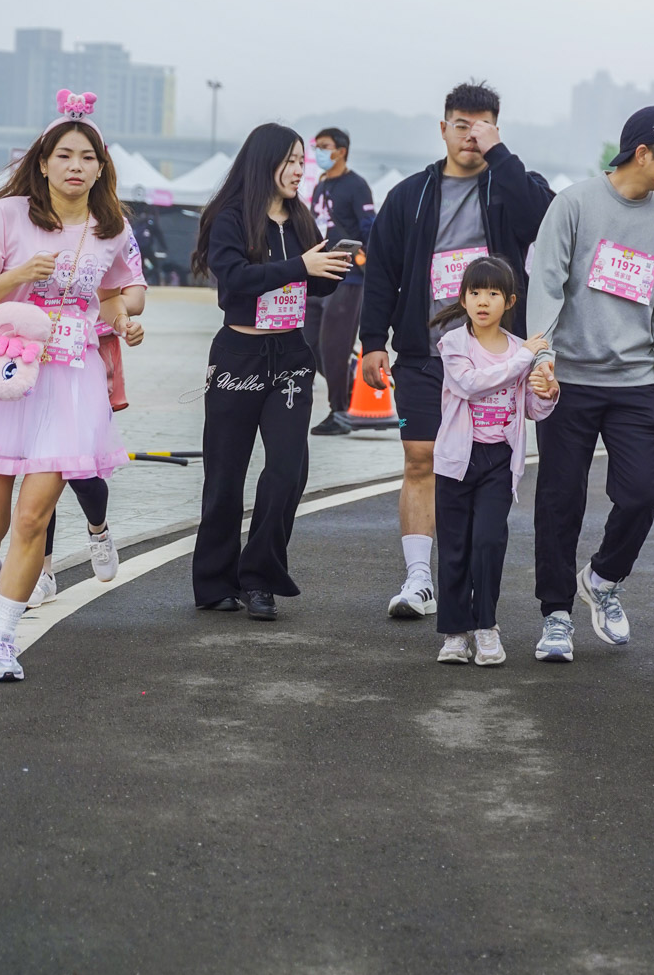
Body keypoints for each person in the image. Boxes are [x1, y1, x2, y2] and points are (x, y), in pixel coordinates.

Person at [0, 93, 145, 684]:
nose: (75, 166)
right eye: (63, 155)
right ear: (42, 162)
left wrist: (123, 318)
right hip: (5, 372)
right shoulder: (11, 214)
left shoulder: (112, 227)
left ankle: (4, 637)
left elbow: (114, 295)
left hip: (71, 381)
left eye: (87, 157)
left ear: (101, 167)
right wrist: (19, 275)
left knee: (33, 518)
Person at [360, 81, 553, 620]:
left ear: (497, 130)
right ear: (443, 128)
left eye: (482, 126)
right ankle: (419, 578)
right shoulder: (411, 195)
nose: (471, 135)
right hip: (425, 352)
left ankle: (466, 577)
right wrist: (372, 342)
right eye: (461, 125)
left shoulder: (511, 185)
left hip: (494, 356)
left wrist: (500, 156)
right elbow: (382, 273)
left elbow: (544, 221)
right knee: (420, 457)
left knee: (479, 467)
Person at [527, 105, 654, 664]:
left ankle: (602, 578)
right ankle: (555, 614)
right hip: (567, 381)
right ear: (643, 153)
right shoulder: (574, 204)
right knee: (559, 499)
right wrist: (541, 357)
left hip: (636, 383)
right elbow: (546, 285)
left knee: (643, 493)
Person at [190, 122, 350, 621]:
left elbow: (313, 283)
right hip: (239, 355)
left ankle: (259, 578)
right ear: (264, 163)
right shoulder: (231, 217)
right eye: (291, 160)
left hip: (291, 357)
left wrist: (332, 267)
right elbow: (235, 279)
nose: (300, 170)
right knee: (225, 473)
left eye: (302, 161)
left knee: (287, 469)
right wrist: (301, 267)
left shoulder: (300, 218)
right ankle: (215, 580)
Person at [432, 256, 559, 666]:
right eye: (475, 292)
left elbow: (531, 409)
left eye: (492, 293)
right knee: (455, 547)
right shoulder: (454, 344)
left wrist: (547, 391)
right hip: (456, 459)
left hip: (498, 461)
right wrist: (524, 359)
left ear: (510, 301)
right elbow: (469, 385)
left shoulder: (519, 348)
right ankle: (455, 633)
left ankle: (486, 625)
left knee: (488, 541)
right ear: (463, 299)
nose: (483, 301)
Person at [29, 277, 148, 607]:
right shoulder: (35, 244)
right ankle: (42, 572)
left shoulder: (109, 244)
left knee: (81, 473)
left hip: (86, 363)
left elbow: (134, 300)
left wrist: (105, 310)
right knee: (42, 469)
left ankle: (99, 529)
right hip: (37, 362)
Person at [304, 126, 376, 436]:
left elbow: (369, 227)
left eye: (325, 146)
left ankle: (340, 411)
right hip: (317, 275)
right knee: (309, 343)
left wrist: (369, 261)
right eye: (317, 146)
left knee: (334, 346)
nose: (319, 151)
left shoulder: (356, 185)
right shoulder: (320, 186)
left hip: (348, 279)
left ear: (341, 151)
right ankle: (349, 382)